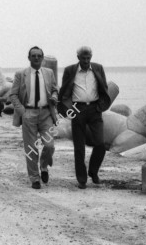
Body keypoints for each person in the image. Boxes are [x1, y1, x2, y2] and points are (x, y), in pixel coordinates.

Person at [59, 46, 110, 189]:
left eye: (88, 58)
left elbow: (104, 88)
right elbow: (64, 92)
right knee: (79, 147)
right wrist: (68, 109)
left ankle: (93, 172)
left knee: (101, 144)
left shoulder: (98, 68)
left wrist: (100, 106)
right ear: (78, 58)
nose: (86, 61)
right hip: (77, 109)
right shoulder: (70, 70)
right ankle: (81, 179)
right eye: (83, 58)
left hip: (95, 109)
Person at [9, 46, 59, 189]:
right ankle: (34, 178)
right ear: (29, 58)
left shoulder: (49, 73)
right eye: (33, 56)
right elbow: (12, 94)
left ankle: (43, 166)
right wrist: (22, 111)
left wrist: (54, 97)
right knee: (31, 148)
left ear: (42, 58)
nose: (36, 58)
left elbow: (55, 89)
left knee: (49, 146)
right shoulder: (21, 74)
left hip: (46, 114)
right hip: (29, 113)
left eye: (39, 55)